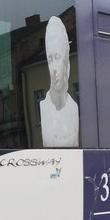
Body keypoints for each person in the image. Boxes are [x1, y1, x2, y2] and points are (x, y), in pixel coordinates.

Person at [39, 15, 78, 147]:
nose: (54, 69)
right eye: (50, 60)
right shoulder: (43, 107)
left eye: (57, 57)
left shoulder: (74, 108)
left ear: (66, 61)